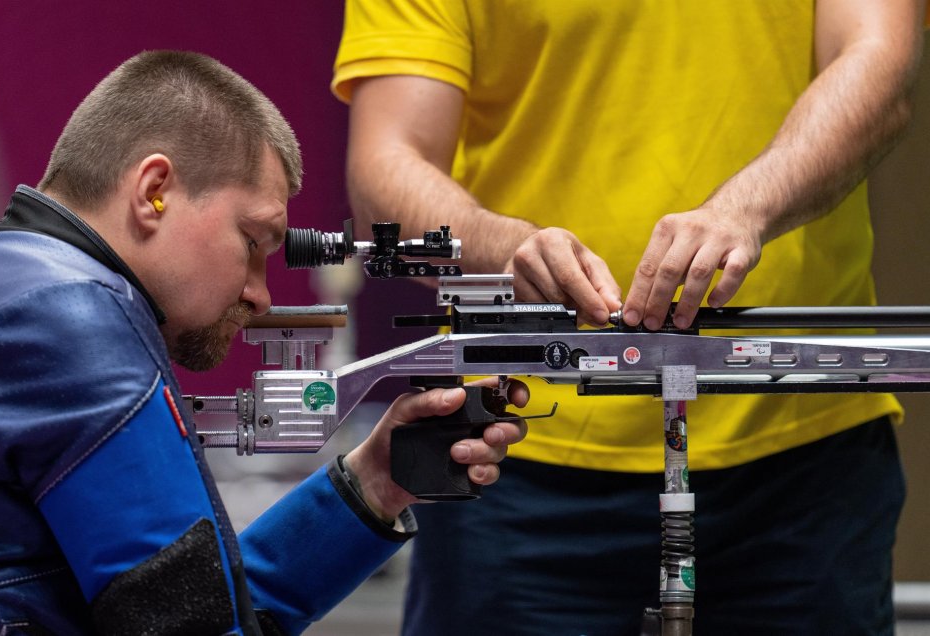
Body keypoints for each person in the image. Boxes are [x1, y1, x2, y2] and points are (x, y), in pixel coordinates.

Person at [331, 2, 925, 635]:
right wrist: (502, 247)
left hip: (802, 459)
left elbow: (879, 62)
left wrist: (746, 208)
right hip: (511, 455)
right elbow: (385, 166)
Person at [0, 50, 529, 635]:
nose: (260, 296)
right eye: (253, 241)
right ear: (154, 191)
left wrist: (375, 486)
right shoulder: (71, 317)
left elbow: (200, 609)